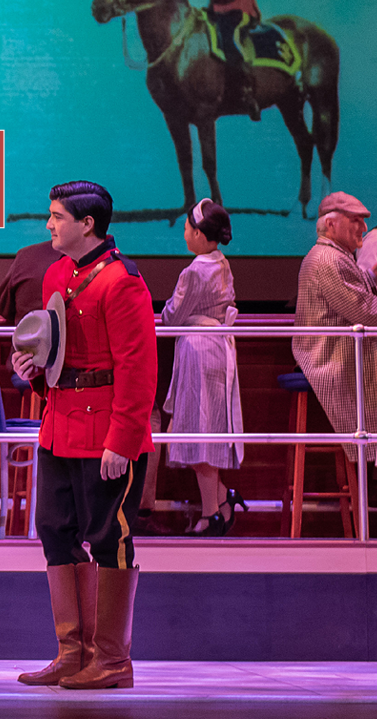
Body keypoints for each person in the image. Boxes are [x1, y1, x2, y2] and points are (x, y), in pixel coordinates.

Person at [10, 181, 155, 691]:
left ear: (86, 224)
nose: (48, 225)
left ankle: (111, 659)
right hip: (60, 423)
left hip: (105, 434)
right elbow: (56, 349)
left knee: (109, 539)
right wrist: (28, 365)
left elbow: (138, 368)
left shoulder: (122, 281)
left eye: (55, 217)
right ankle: (73, 653)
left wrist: (122, 438)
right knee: (54, 529)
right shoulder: (58, 274)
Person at [161, 200, 245, 535]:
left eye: (186, 228)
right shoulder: (221, 263)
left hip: (199, 351)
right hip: (217, 350)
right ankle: (221, 499)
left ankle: (212, 513)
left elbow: (172, 316)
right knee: (202, 429)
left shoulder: (195, 270)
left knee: (198, 430)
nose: (183, 233)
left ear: (198, 232)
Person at [291, 193, 377, 466]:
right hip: (328, 357)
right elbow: (365, 311)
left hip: (333, 351)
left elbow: (352, 300)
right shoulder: (329, 259)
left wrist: (372, 275)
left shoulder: (334, 256)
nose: (364, 228)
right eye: (356, 220)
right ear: (332, 225)